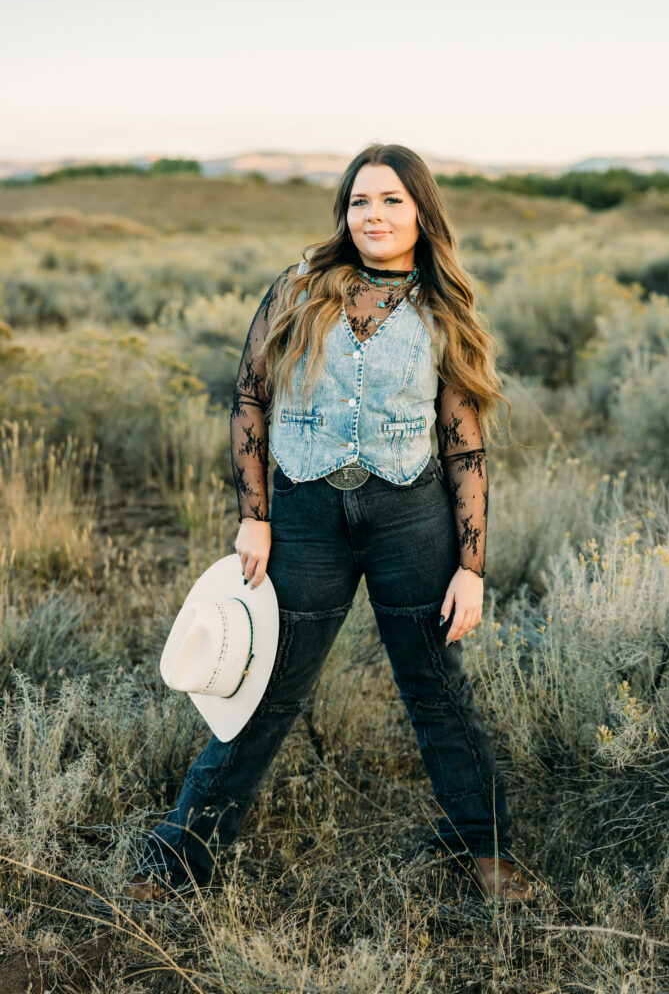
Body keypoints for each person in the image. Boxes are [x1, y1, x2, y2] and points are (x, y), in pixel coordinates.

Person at [123, 143, 534, 904]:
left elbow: (463, 441)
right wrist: (255, 517)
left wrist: (470, 567)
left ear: (419, 213)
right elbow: (249, 397)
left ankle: (487, 853)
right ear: (343, 213)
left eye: (390, 201)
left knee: (436, 691)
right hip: (305, 515)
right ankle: (178, 857)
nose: (372, 216)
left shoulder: (442, 307)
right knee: (266, 687)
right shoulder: (299, 289)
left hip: (410, 517)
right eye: (359, 202)